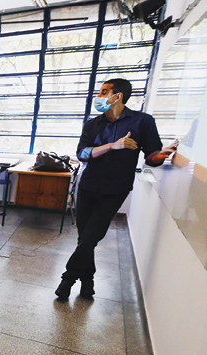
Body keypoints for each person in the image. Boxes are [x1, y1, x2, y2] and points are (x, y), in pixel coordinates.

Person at [56, 78, 178, 300]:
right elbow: (82, 154)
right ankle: (88, 282)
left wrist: (160, 156)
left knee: (92, 236)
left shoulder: (143, 121)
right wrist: (112, 146)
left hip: (115, 189)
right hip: (88, 186)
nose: (99, 96)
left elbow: (151, 156)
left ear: (118, 96)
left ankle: (68, 279)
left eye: (104, 92)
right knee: (85, 238)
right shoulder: (93, 124)